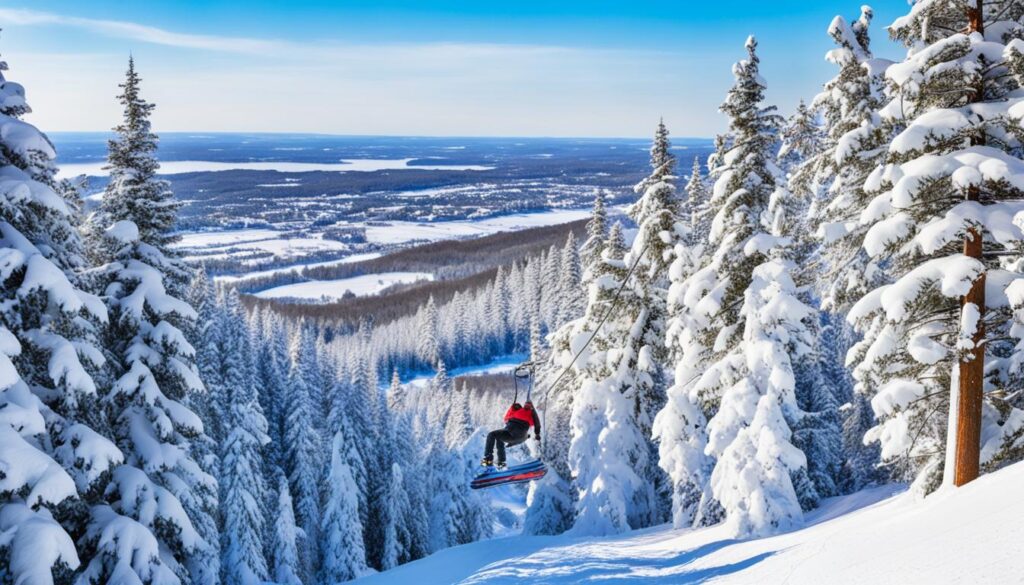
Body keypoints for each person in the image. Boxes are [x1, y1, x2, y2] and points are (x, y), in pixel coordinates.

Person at [481, 401, 541, 470]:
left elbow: (537, 423)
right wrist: (512, 408)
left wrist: (537, 433)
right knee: (496, 437)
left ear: (531, 407)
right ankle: (501, 462)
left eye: (529, 405)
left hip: (518, 434)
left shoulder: (531, 413)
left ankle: (490, 460)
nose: (526, 405)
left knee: (493, 435)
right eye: (526, 404)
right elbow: (506, 418)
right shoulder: (516, 413)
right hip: (511, 434)